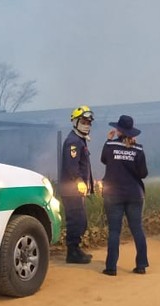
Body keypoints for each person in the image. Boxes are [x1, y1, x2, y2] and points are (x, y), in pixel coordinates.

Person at [100, 115, 149, 276]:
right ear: (132, 133)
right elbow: (143, 173)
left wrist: (108, 141)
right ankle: (141, 265)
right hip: (134, 194)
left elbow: (104, 160)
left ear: (119, 130)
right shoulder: (138, 149)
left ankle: (111, 267)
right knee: (137, 229)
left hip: (113, 194)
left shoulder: (110, 146)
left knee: (114, 231)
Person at [59, 105, 96, 264]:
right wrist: (80, 181)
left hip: (77, 190)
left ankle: (76, 249)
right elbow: (72, 166)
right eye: (84, 120)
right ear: (75, 121)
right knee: (75, 220)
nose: (87, 124)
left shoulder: (80, 140)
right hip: (72, 189)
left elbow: (84, 166)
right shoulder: (73, 142)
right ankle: (72, 253)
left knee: (80, 220)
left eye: (89, 121)